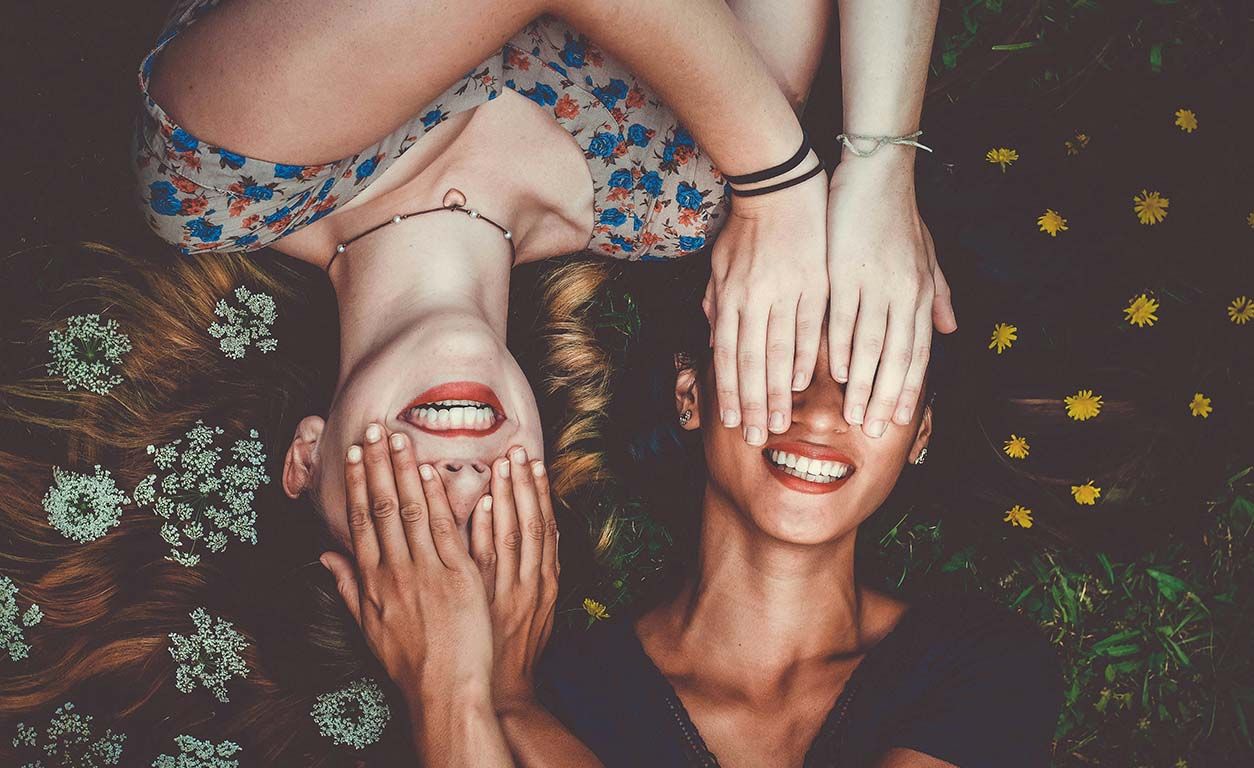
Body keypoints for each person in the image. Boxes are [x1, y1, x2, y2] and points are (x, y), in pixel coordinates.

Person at [135, 0, 958, 547]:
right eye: (494, 533)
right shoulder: (669, 198)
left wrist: (780, 182)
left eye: (406, 521)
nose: (460, 485)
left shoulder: (222, 181)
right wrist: (883, 169)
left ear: (307, 459)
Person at [327, 306, 1064, 766]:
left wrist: (472, 704)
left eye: (873, 373)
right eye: (776, 352)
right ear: (691, 394)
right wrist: (475, 698)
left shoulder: (986, 668)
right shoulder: (570, 690)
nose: (819, 409)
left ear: (921, 431)